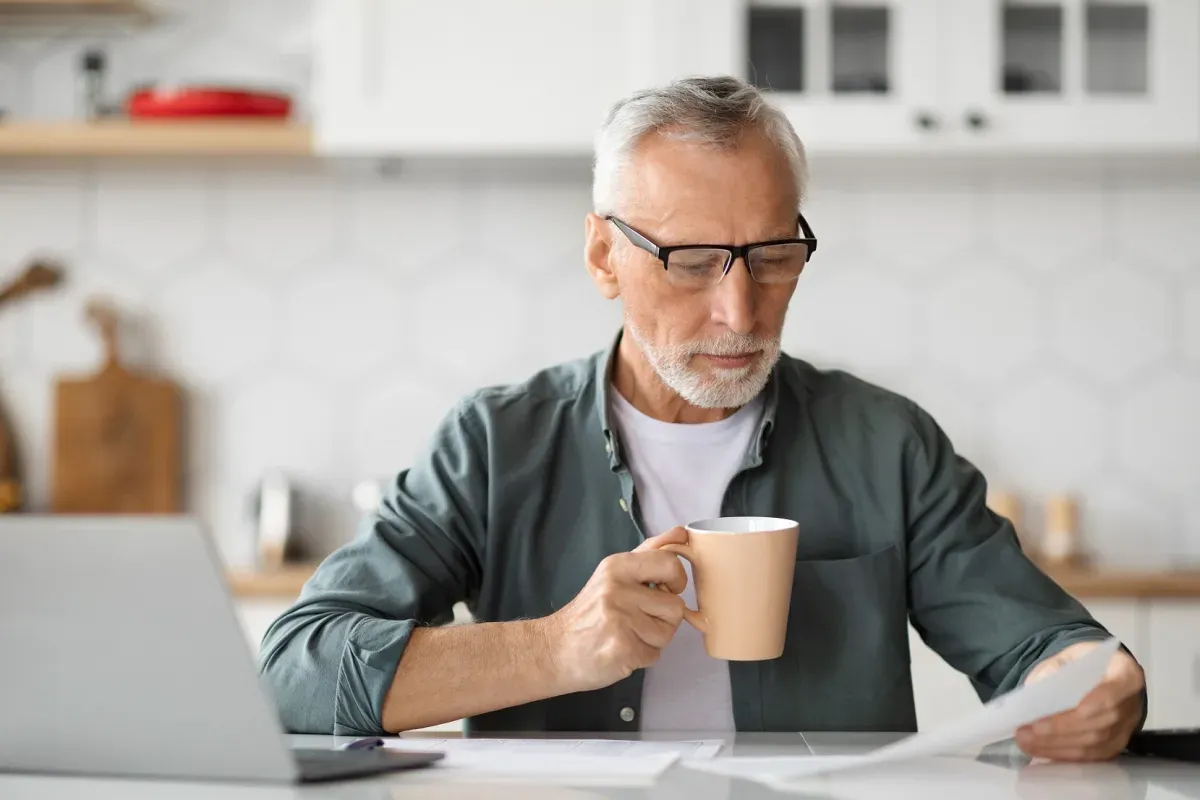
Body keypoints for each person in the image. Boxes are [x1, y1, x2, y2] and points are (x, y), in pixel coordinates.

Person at [259, 75, 1146, 762]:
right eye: (690, 261)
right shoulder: (495, 444)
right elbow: (292, 671)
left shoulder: (888, 443)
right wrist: (556, 649)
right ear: (604, 254)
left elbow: (1047, 646)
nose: (740, 310)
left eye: (771, 257)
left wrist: (1098, 688)